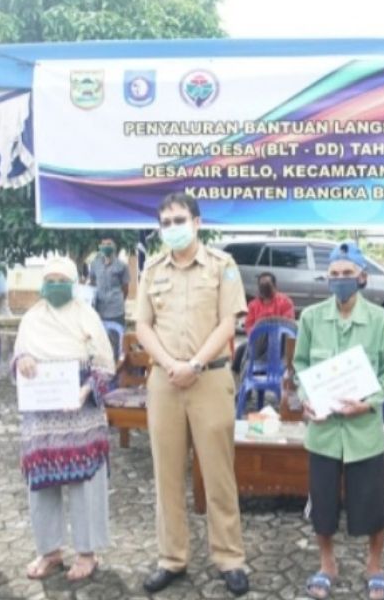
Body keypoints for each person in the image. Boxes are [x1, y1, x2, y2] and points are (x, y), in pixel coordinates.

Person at [135, 192, 249, 596]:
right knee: (166, 475)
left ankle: (229, 557)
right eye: (165, 222)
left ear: (197, 223)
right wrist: (169, 364)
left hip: (210, 378)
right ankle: (171, 558)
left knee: (219, 473)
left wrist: (195, 364)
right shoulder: (151, 267)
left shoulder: (222, 266)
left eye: (179, 220)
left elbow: (228, 323)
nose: (172, 229)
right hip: (165, 382)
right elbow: (143, 326)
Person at [294, 241, 384, 600]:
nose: (340, 281)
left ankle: (374, 566)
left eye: (347, 274)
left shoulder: (382, 321)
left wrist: (368, 404)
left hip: (363, 430)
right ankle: (327, 564)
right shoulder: (310, 318)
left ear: (362, 278)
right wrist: (306, 398)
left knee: (372, 503)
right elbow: (301, 365)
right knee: (322, 503)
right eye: (334, 275)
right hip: (323, 430)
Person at [13, 257, 116, 582]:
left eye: (62, 279)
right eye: (50, 279)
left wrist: (87, 391)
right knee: (42, 483)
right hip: (42, 418)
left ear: (72, 283)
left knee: (87, 483)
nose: (55, 284)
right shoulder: (30, 319)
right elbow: (16, 357)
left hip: (81, 415)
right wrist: (24, 360)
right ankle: (49, 551)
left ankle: (87, 553)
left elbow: (105, 366)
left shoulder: (88, 316)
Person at [232, 272, 295, 374]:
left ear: (275, 286)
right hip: (258, 343)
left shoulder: (285, 302)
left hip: (278, 345)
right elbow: (249, 326)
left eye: (268, 287)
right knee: (240, 351)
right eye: (262, 287)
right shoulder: (253, 305)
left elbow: (288, 326)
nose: (265, 291)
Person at [89, 237, 129, 359]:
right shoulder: (95, 264)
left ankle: (117, 363)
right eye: (104, 244)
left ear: (114, 247)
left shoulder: (122, 266)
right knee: (100, 340)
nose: (106, 246)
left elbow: (125, 287)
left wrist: (119, 300)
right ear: (100, 247)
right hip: (99, 309)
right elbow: (92, 282)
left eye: (109, 244)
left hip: (116, 309)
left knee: (116, 340)